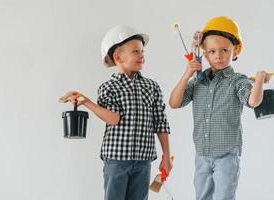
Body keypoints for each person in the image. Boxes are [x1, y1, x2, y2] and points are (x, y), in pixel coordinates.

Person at [169, 16, 271, 200]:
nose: (218, 55)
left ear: (235, 51)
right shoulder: (197, 82)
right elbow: (174, 103)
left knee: (223, 197)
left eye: (225, 50)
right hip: (202, 154)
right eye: (213, 51)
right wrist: (186, 74)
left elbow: (253, 101)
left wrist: (259, 80)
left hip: (227, 154)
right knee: (202, 196)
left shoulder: (237, 81)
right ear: (205, 54)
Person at [68, 25, 172, 200]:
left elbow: (160, 122)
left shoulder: (152, 87)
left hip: (143, 159)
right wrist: (86, 102)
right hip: (116, 159)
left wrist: (166, 155)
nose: (141, 55)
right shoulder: (108, 88)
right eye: (135, 51)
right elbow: (113, 119)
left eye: (142, 50)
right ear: (118, 57)